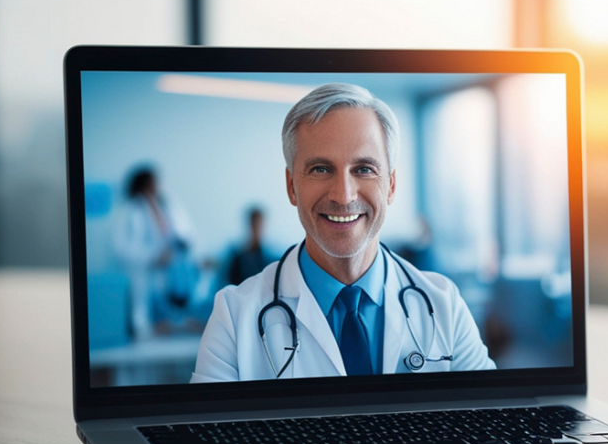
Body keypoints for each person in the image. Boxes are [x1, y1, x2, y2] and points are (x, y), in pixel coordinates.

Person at [192, 83, 495, 382]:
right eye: (321, 169)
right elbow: (204, 431)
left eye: (363, 169)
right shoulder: (234, 317)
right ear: (291, 186)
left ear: (390, 184)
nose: (343, 195)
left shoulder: (443, 305)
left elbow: (489, 421)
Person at [113, 165, 196, 340]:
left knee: (173, 314)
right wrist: (152, 257)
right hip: (142, 271)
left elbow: (182, 232)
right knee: (141, 318)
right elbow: (121, 247)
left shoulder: (167, 205)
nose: (156, 186)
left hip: (169, 269)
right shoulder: (128, 210)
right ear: (141, 184)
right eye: (151, 183)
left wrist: (181, 245)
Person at [226, 207, 275, 286]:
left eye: (259, 225)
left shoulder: (269, 258)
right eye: (254, 224)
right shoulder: (238, 258)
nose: (257, 229)